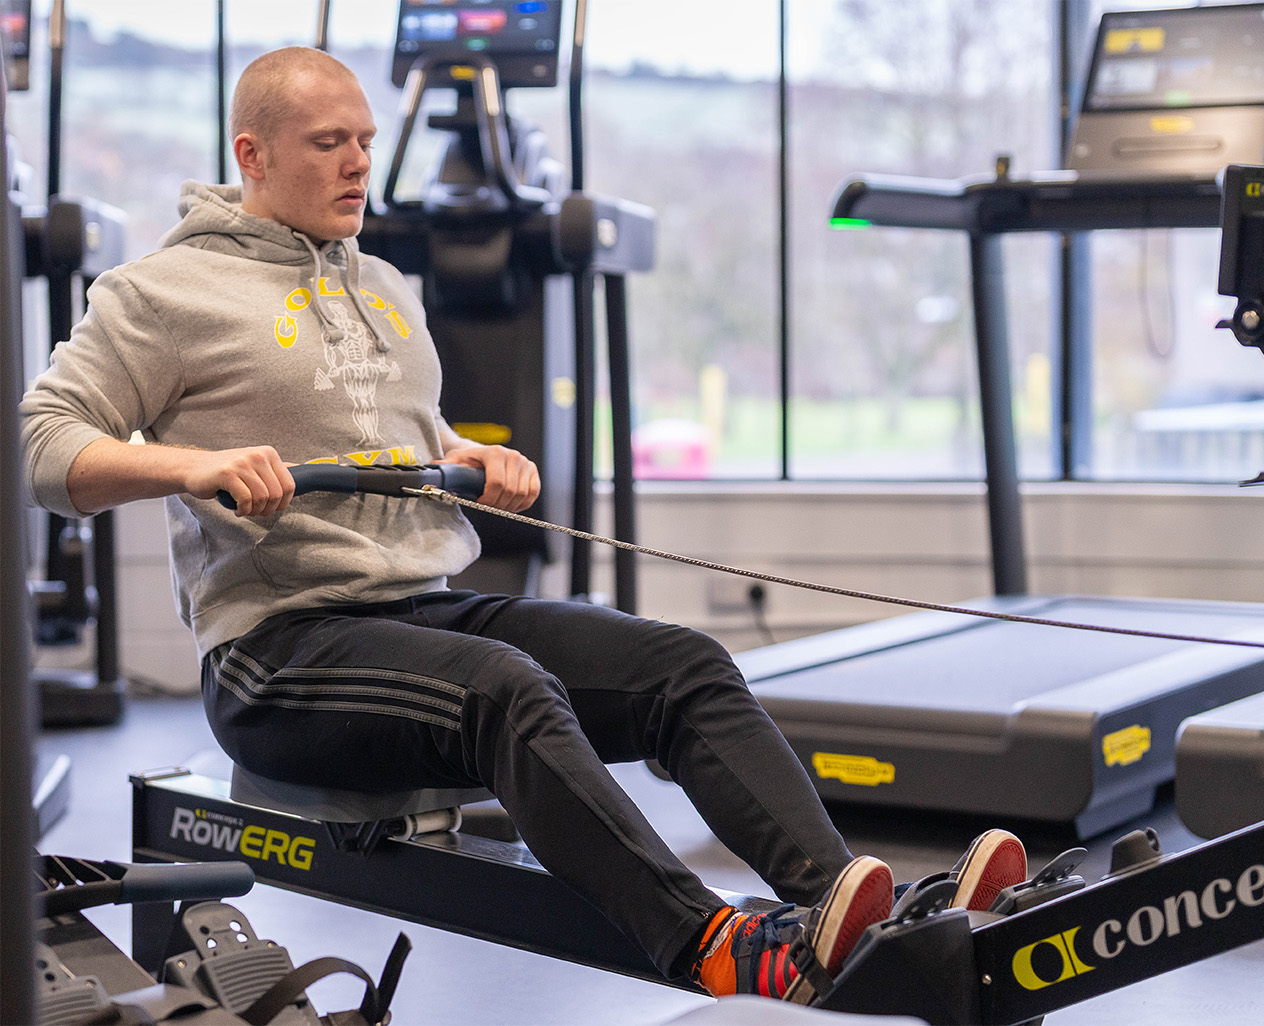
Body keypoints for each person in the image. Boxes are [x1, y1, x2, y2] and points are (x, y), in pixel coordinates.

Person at [19, 47, 1028, 1005]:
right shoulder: (162, 293)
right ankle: (713, 946)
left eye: (365, 138)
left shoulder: (378, 282)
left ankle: (845, 908)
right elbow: (42, 444)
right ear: (253, 153)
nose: (360, 161)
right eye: (329, 142)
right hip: (277, 653)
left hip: (421, 611)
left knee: (684, 664)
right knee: (507, 693)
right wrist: (193, 463)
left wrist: (470, 456)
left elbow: (394, 428)